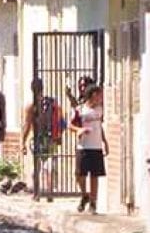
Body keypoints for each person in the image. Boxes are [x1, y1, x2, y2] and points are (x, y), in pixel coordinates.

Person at [22, 78, 66, 196]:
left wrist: (23, 143)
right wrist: (59, 135)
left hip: (37, 138)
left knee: (37, 165)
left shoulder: (31, 106)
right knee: (49, 164)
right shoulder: (51, 103)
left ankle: (37, 192)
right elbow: (61, 120)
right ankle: (50, 191)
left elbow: (27, 125)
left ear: (31, 89)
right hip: (51, 138)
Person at [69, 84, 109, 214]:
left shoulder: (100, 110)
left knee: (95, 176)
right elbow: (69, 125)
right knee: (80, 175)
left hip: (96, 146)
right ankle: (84, 195)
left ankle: (93, 202)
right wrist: (79, 129)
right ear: (93, 95)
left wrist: (105, 141)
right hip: (83, 146)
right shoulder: (80, 110)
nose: (101, 98)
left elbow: (99, 126)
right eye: (99, 95)